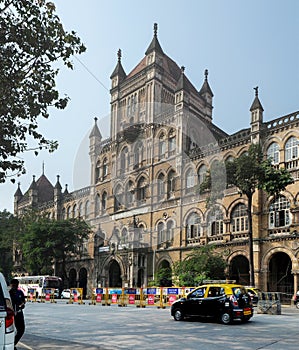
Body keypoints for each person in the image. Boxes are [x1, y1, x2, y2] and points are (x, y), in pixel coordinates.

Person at [9, 278, 26, 350]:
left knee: (21, 330)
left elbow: (23, 301)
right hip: (12, 314)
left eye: (16, 285)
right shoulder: (9, 293)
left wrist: (22, 304)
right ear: (11, 285)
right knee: (10, 330)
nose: (14, 287)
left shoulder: (20, 292)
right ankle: (11, 344)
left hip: (19, 313)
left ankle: (13, 343)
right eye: (13, 285)